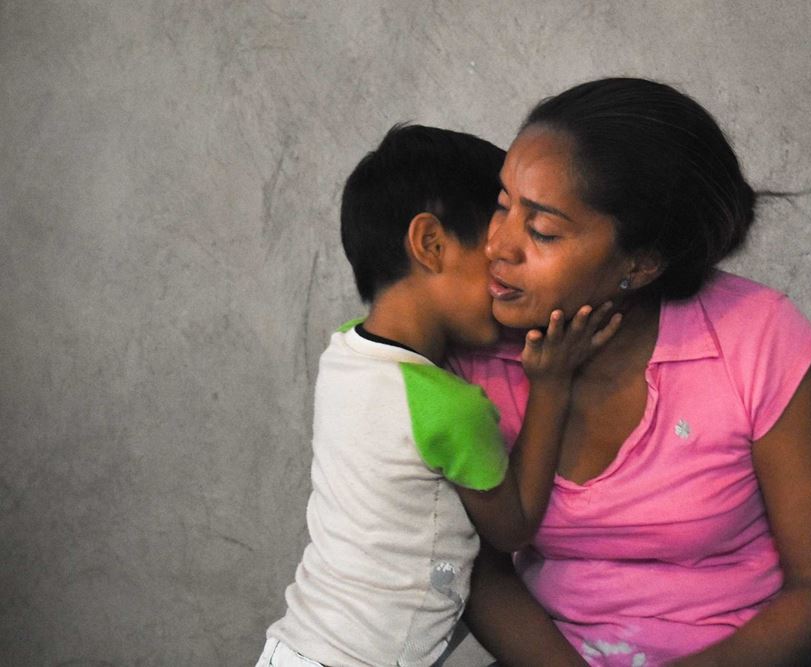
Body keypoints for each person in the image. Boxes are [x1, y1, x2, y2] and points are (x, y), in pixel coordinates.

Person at [450, 78, 811, 666]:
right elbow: (477, 569)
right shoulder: (478, 355)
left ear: (643, 262)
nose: (498, 246)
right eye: (501, 204)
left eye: (542, 231)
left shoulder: (756, 340)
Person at [256, 124, 621, 667]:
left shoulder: (344, 356)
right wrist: (550, 385)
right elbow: (513, 526)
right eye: (493, 259)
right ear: (430, 244)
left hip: (296, 646)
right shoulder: (448, 407)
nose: (504, 283)